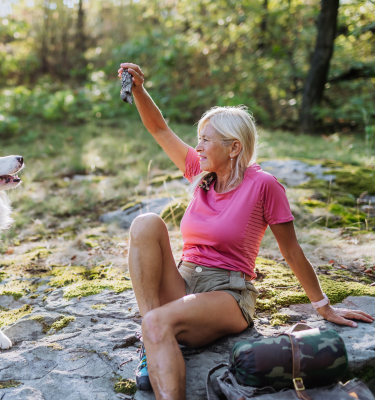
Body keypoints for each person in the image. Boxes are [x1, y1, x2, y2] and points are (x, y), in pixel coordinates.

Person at [117, 62, 374, 400]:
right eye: (199, 140)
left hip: (228, 293)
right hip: (185, 282)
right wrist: (137, 89)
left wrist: (323, 305)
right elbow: (161, 130)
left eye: (207, 141)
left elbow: (291, 250)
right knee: (145, 222)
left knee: (155, 324)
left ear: (234, 147)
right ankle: (153, 345)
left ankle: (154, 334)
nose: (198, 148)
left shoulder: (264, 186)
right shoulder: (201, 172)